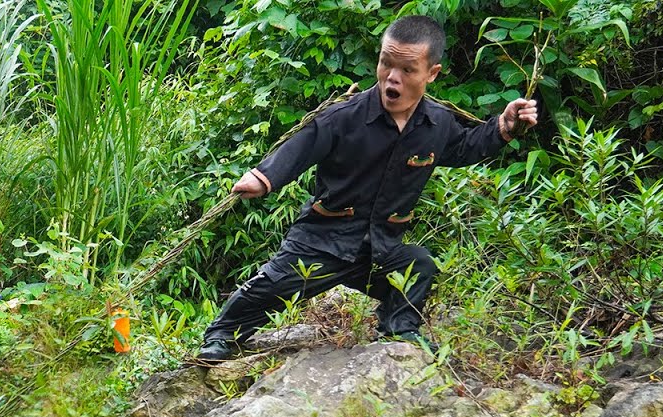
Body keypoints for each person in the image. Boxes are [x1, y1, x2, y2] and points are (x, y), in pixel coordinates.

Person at [196, 14, 538, 363]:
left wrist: (503, 127)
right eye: (386, 64)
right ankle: (222, 335)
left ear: (431, 74)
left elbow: (464, 147)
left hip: (379, 248)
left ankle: (398, 329)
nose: (393, 78)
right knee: (270, 287)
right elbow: (302, 146)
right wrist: (263, 178)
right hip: (323, 240)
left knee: (418, 265)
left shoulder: (437, 123)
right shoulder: (345, 116)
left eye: (407, 70)